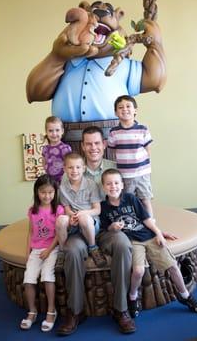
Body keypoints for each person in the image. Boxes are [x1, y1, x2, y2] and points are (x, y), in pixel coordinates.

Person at [26, 0, 166, 123]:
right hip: (67, 142)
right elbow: (34, 93)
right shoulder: (65, 63)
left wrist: (155, 45)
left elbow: (155, 81)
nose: (99, 13)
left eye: (108, 12)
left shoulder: (122, 65)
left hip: (112, 139)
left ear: (118, 16)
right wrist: (56, 57)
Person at [56, 127, 136, 335]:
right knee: (72, 252)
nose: (93, 148)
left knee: (123, 244)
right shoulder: (74, 170)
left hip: (109, 226)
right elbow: (64, 203)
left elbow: (132, 194)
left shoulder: (114, 167)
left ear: (104, 144)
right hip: (80, 230)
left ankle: (121, 308)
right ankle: (75, 310)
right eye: (88, 144)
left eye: (97, 143)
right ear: (82, 146)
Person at [100, 168, 197, 328]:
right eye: (108, 184)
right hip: (133, 242)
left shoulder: (130, 198)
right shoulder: (104, 207)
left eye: (116, 183)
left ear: (122, 185)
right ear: (103, 187)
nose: (113, 186)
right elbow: (107, 230)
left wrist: (159, 233)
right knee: (138, 271)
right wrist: (113, 227)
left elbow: (146, 219)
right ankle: (133, 296)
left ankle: (185, 295)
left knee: (173, 266)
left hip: (148, 237)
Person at [20, 174, 64, 332]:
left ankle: (51, 311)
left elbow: (59, 234)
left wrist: (49, 250)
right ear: (37, 192)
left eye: (50, 192)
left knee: (47, 276)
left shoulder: (58, 209)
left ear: (55, 192)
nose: (47, 196)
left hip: (52, 248)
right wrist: (28, 252)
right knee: (29, 279)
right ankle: (32, 311)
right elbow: (30, 232)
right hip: (36, 250)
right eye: (43, 192)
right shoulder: (33, 210)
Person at [56, 152, 106, 269]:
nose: (74, 171)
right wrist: (71, 216)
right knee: (61, 220)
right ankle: (62, 251)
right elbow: (66, 208)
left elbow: (97, 210)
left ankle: (93, 247)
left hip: (90, 223)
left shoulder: (91, 184)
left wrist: (83, 213)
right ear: (64, 169)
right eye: (70, 167)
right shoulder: (62, 188)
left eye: (78, 167)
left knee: (84, 218)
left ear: (83, 168)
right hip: (73, 222)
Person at [108, 94, 154, 217]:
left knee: (145, 199)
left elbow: (148, 150)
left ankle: (151, 223)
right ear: (116, 112)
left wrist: (142, 166)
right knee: (128, 201)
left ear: (135, 110)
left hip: (142, 173)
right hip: (124, 175)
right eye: (120, 107)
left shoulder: (142, 129)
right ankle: (133, 223)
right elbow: (113, 152)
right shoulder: (114, 132)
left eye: (128, 106)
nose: (125, 109)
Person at [42, 116, 72, 183]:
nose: (54, 133)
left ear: (62, 131)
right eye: (50, 131)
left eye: (57, 130)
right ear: (46, 132)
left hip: (63, 181)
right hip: (50, 181)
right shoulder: (45, 149)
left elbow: (70, 164)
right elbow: (44, 162)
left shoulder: (65, 148)